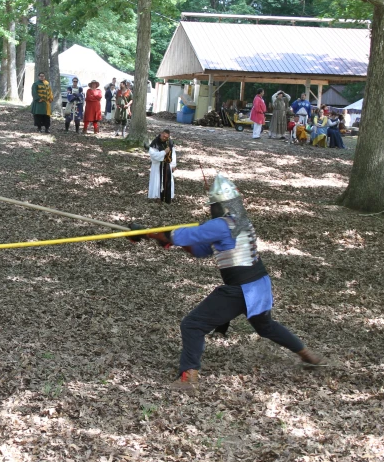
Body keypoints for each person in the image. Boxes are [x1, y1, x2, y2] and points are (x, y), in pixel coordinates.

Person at [133, 174, 324, 391]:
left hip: (241, 289)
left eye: (214, 206)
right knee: (266, 327)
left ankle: (189, 379)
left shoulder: (224, 225)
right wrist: (159, 238)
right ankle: (309, 355)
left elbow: (181, 235)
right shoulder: (238, 223)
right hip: (258, 285)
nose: (212, 210)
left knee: (192, 324)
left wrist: (147, 234)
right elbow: (199, 249)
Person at [148, 129, 177, 203]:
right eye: (164, 136)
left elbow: (173, 154)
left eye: (167, 137)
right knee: (157, 181)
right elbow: (153, 155)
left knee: (167, 180)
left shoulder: (169, 142)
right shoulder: (155, 142)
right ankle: (157, 196)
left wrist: (173, 165)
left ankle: (167, 196)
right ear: (161, 134)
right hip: (158, 165)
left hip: (167, 165)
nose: (165, 138)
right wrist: (164, 152)